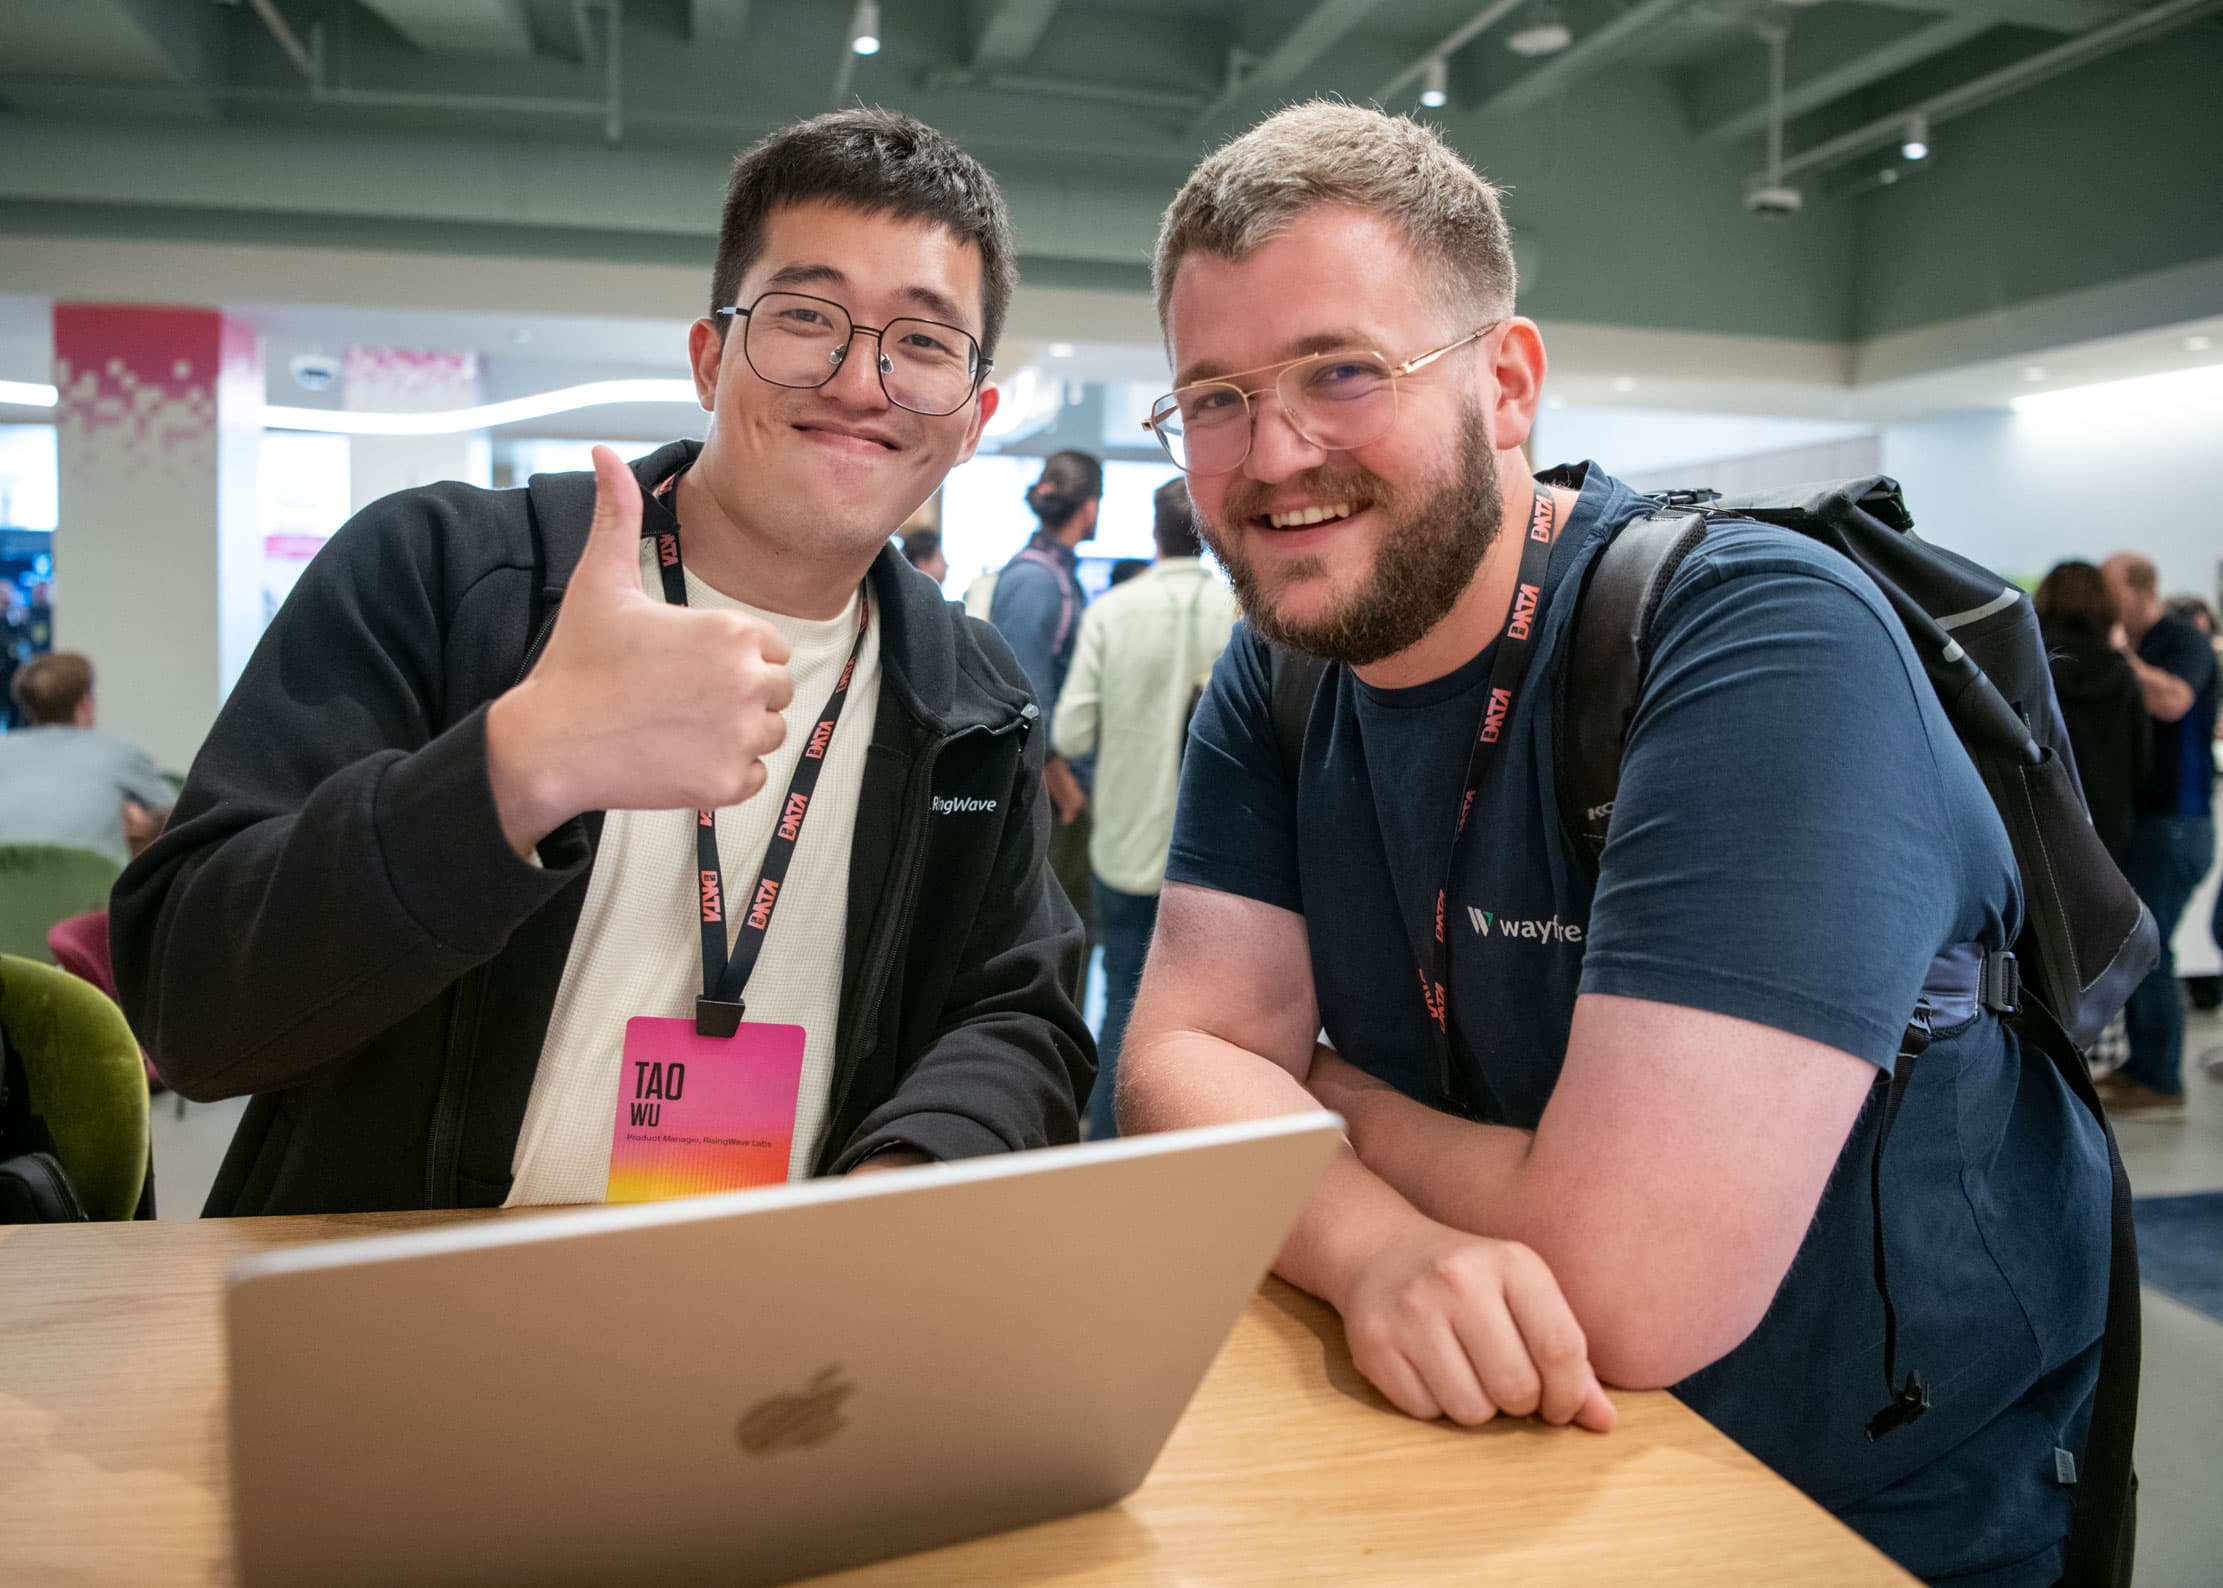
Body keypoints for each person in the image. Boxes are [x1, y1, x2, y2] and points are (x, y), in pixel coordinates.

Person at [1119, 102, 2108, 1587]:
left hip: (1861, 1488)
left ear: (1504, 386)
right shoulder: (1285, 668)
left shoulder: (1755, 641)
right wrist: (1376, 1248)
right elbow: (1166, 1068)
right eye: (1211, 398)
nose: (1274, 455)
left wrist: (1310, 1098)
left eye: (1342, 371)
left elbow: (1630, 1285)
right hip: (1484, 1454)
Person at [110, 109, 1093, 1216]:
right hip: (396, 1321)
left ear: (973, 420)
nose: (861, 381)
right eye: (806, 317)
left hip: (762, 1326)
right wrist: (516, 768)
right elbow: (189, 1009)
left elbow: (1017, 1010)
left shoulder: (970, 696)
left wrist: (910, 1172)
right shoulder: (444, 575)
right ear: (711, 357)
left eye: (923, 343)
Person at [1052, 477, 1237, 1136]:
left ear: (1153, 532)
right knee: (1214, 1032)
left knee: (1123, 1005)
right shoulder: (1239, 612)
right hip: (1221, 861)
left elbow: (1069, 732)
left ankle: (1107, 1156)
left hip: (1124, 849)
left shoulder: (1112, 611)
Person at [2098, 553, 2218, 1116]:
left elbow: (2174, 702)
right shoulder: (2146, 643)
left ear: (2139, 590)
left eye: (2109, 588)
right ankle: (2145, 1067)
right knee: (2142, 948)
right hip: (2154, 822)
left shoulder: (2180, 638)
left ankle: (2161, 1079)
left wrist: (2120, 655)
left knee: (2150, 952)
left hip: (2178, 823)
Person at [987, 450, 1102, 991]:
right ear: (1090, 507)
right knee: (1054, 952)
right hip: (1051, 794)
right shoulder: (1039, 580)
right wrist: (1067, 793)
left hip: (1057, 788)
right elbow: (1026, 702)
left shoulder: (1050, 573)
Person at [0, 651, 174, 865]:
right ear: (85, 703)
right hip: (90, 891)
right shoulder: (118, 753)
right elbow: (182, 815)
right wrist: (146, 824)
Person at [2035, 561, 2148, 866]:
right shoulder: (2121, 673)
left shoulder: (2032, 667)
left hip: (2040, 824)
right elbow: (2142, 761)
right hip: (2107, 828)